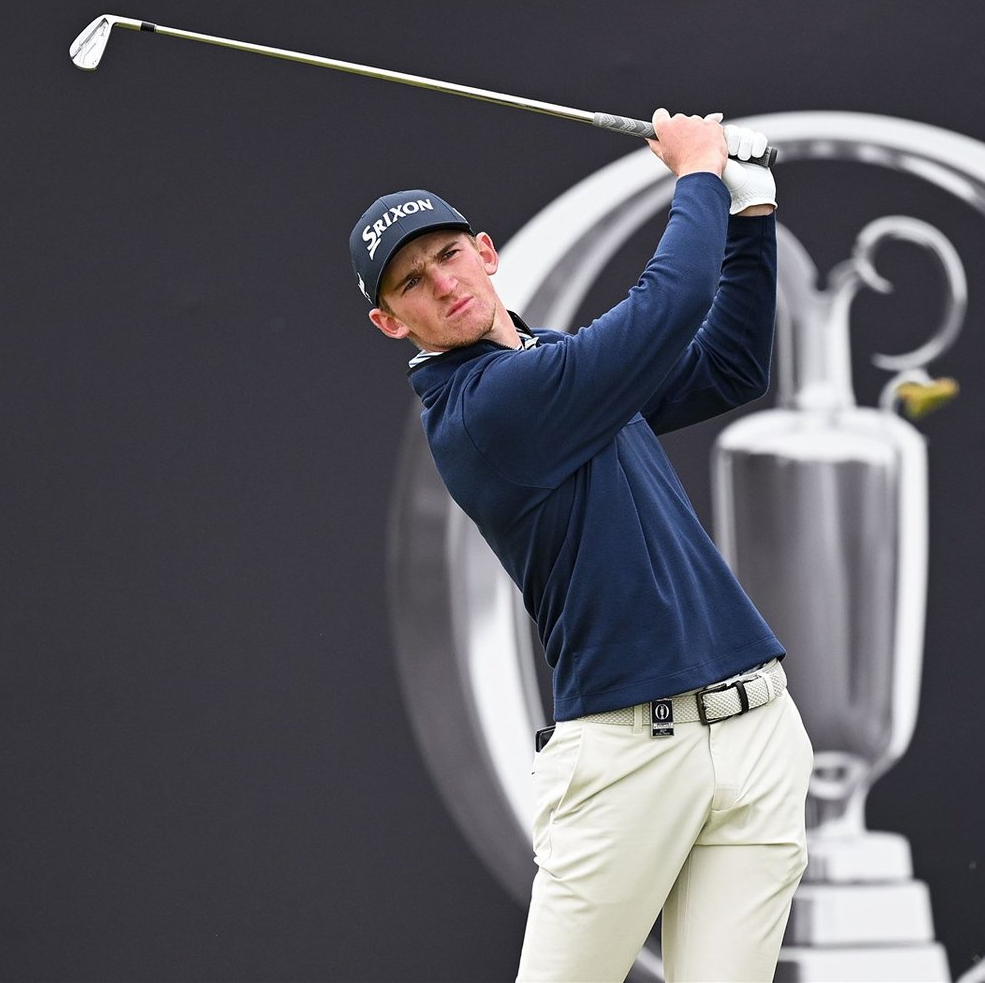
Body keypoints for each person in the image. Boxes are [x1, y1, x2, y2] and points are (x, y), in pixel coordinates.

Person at [348, 109, 812, 982]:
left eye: (446, 254)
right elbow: (670, 305)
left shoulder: (556, 362)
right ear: (390, 323)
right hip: (627, 761)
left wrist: (750, 220)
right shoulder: (484, 412)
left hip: (756, 730)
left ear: (485, 250)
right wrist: (699, 173)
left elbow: (730, 367)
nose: (441, 283)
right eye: (410, 282)